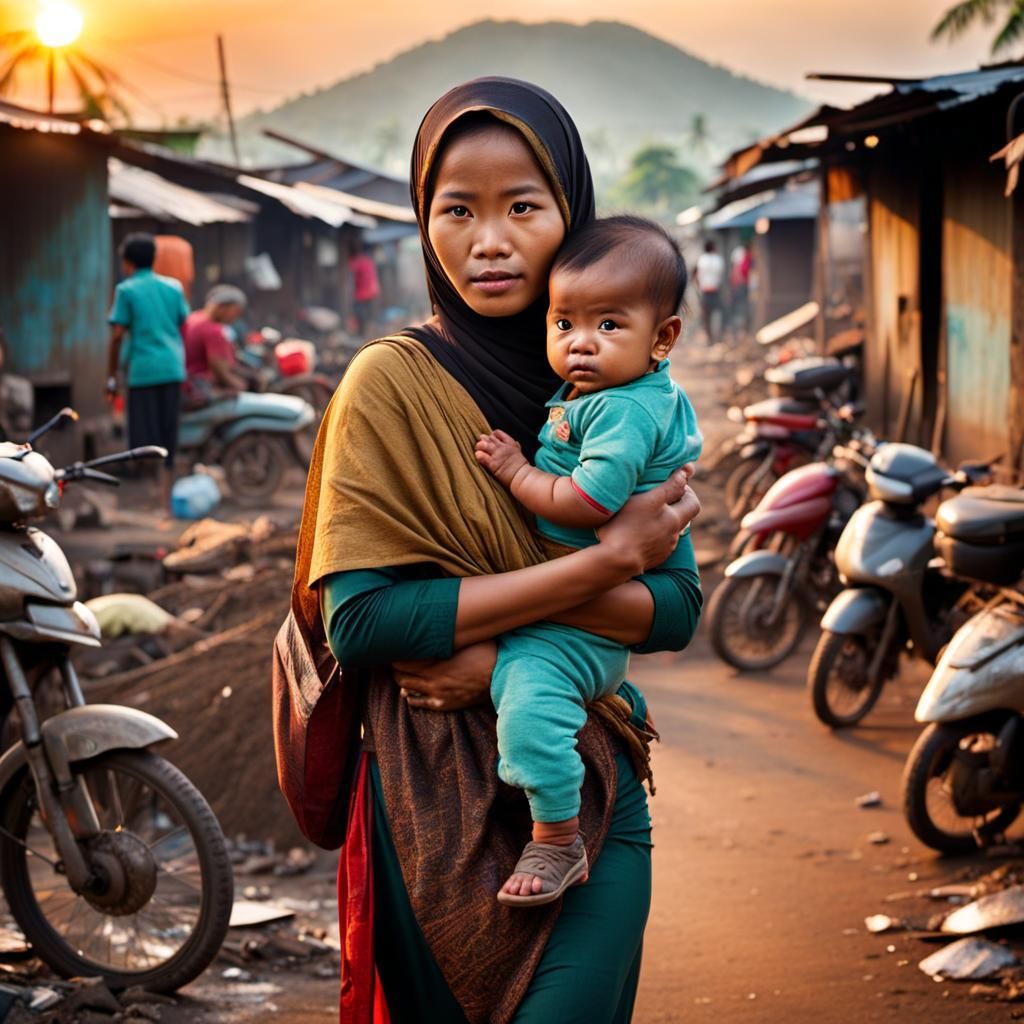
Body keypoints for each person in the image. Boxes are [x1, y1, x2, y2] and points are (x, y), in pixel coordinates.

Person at [273, 78, 702, 1024]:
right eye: (455, 210)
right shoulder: (391, 386)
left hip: (592, 789)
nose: (490, 240)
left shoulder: (619, 396)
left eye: (523, 206)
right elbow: (365, 619)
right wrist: (600, 564)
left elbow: (675, 612)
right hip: (428, 811)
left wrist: (496, 648)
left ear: (571, 215)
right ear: (422, 221)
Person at [474, 215, 702, 906]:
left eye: (608, 326)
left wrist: (516, 472)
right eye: (564, 322)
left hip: (574, 628)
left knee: (528, 714)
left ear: (663, 337)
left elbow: (588, 499)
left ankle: (557, 839)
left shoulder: (625, 411)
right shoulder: (604, 395)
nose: (580, 344)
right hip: (575, 610)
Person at [107, 233, 189, 507]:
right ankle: (165, 495)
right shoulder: (174, 288)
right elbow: (181, 323)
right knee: (168, 432)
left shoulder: (126, 291)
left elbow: (117, 336)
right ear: (153, 259)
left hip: (143, 372)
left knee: (144, 435)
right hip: (172, 367)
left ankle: (149, 497)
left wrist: (111, 375)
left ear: (127, 262)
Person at [183, 285, 249, 405]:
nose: (235, 317)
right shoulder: (214, 330)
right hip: (198, 387)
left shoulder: (192, 318)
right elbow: (220, 370)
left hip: (185, 384)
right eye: (236, 312)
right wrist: (240, 386)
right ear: (223, 307)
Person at [695, 239, 725, 344]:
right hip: (715, 291)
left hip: (705, 292)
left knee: (706, 317)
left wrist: (699, 290)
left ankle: (710, 338)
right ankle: (719, 337)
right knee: (720, 313)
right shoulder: (718, 259)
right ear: (713, 247)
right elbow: (720, 276)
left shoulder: (701, 260)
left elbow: (698, 277)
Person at [349, 240, 380, 336]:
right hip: (372, 292)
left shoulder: (356, 262)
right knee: (368, 315)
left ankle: (363, 333)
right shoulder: (368, 261)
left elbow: (349, 276)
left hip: (362, 294)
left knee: (361, 315)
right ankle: (367, 332)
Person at [729, 240, 753, 334]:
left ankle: (742, 330)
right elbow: (738, 272)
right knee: (740, 309)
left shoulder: (746, 258)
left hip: (741, 286)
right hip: (740, 287)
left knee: (743, 309)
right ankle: (738, 331)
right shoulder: (741, 257)